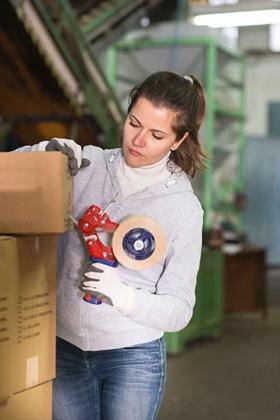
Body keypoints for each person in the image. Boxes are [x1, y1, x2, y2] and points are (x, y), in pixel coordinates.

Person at [18, 71, 206, 420]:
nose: (138, 140)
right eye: (134, 123)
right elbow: (11, 176)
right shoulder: (86, 166)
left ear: (178, 141)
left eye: (157, 134)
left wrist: (126, 297)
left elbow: (180, 309)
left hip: (133, 358)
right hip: (64, 348)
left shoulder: (182, 208)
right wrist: (40, 155)